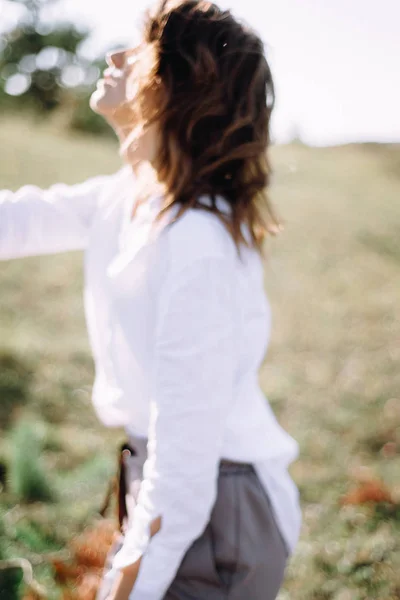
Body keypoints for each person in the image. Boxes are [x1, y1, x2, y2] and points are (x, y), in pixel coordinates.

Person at [0, 0, 302, 598]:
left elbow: (187, 453)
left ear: (179, 92)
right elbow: (23, 220)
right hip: (171, 490)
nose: (114, 56)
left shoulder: (197, 243)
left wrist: (131, 578)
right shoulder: (133, 198)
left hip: (219, 509)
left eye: (144, 50)